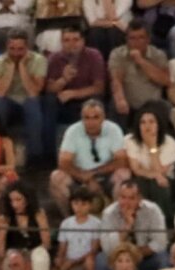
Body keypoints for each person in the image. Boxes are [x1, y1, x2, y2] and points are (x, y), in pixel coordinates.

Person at [43, 26, 109, 166]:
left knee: (96, 102)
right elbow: (49, 88)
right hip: (63, 102)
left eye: (75, 40)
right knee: (49, 101)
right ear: (61, 42)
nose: (71, 44)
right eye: (67, 40)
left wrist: (73, 94)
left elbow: (99, 87)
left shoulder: (94, 55)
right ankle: (50, 157)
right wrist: (64, 80)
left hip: (86, 98)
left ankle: (98, 153)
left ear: (83, 41)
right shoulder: (55, 58)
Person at [49, 100, 130, 209]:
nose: (91, 122)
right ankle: (69, 218)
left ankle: (117, 216)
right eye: (86, 118)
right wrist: (84, 178)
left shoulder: (113, 129)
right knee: (56, 177)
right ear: (81, 118)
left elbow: (121, 161)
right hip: (79, 177)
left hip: (106, 176)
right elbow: (63, 162)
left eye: (96, 117)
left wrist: (94, 174)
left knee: (124, 174)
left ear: (103, 117)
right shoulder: (73, 131)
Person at [0, 29, 48, 166]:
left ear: (27, 47)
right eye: (12, 49)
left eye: (20, 49)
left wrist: (22, 66)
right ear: (6, 47)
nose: (16, 53)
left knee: (32, 103)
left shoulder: (39, 60)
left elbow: (33, 92)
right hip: (9, 103)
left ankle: (35, 158)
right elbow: (0, 93)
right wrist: (10, 67)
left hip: (29, 101)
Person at [99, 180, 170, 270]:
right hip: (118, 259)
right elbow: (108, 248)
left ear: (140, 199)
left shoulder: (153, 210)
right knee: (101, 260)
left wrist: (135, 254)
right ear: (118, 197)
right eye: (123, 197)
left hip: (145, 256)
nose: (126, 203)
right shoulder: (109, 213)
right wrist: (127, 227)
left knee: (162, 258)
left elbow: (160, 243)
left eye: (131, 198)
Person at [110, 20, 172, 130]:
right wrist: (120, 99)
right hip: (127, 104)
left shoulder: (158, 55)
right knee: (114, 106)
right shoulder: (117, 54)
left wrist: (141, 61)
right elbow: (116, 80)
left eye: (141, 38)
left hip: (152, 105)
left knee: (164, 107)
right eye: (132, 38)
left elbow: (165, 80)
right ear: (126, 39)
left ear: (148, 39)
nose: (136, 42)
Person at [125, 107, 175, 222]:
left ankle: (164, 223)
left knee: (159, 186)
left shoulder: (169, 143)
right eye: (143, 122)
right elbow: (136, 169)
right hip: (143, 178)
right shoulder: (131, 141)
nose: (147, 126)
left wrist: (152, 147)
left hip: (167, 180)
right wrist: (155, 175)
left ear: (158, 125)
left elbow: (161, 172)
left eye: (151, 122)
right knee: (140, 184)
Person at [0, 185, 52, 270]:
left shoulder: (38, 214)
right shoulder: (5, 218)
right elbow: (0, 247)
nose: (14, 204)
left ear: (27, 199)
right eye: (11, 201)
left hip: (35, 250)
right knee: (11, 259)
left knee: (40, 255)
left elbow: (47, 243)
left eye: (18, 200)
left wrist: (28, 258)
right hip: (14, 251)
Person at [54, 188, 101, 270]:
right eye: (76, 203)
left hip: (85, 260)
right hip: (69, 259)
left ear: (90, 205)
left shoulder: (96, 223)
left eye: (83, 204)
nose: (79, 207)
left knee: (89, 262)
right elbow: (62, 247)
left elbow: (94, 250)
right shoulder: (66, 223)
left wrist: (73, 262)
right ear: (71, 204)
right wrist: (60, 258)